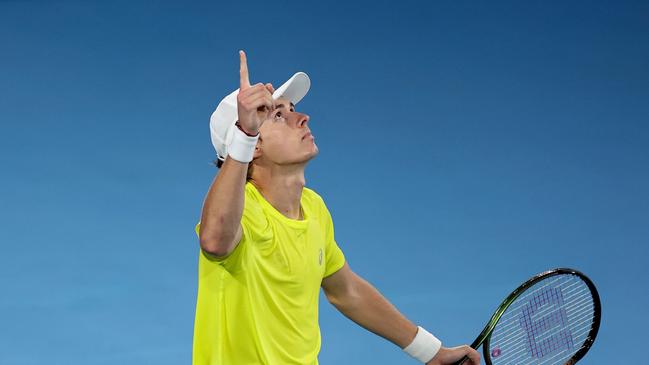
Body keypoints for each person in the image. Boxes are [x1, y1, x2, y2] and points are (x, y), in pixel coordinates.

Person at [193, 50, 480, 365]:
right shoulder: (243, 210)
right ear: (255, 145)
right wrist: (244, 134)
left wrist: (431, 352)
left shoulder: (313, 207)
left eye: (293, 109)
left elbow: (346, 291)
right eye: (278, 115)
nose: (302, 117)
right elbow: (215, 240)